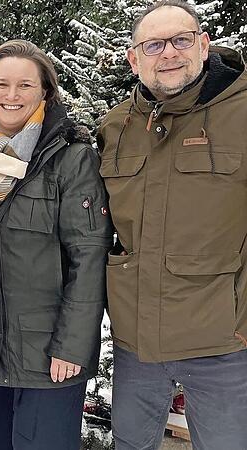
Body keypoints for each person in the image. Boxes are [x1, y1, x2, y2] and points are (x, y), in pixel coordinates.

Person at [97, 1, 247, 448]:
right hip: (136, 341)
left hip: (222, 341)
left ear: (202, 45)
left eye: (181, 40)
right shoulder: (117, 125)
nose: (169, 54)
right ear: (134, 58)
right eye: (155, 44)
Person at [0, 40, 112, 450]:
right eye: (1, 83)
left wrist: (72, 346)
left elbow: (89, 256)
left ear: (45, 91)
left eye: (25, 85)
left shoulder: (70, 158)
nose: (11, 95)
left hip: (50, 359)